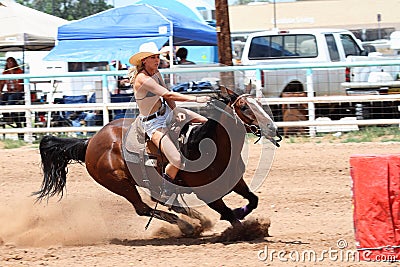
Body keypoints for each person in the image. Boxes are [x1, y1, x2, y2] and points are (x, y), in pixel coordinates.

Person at [128, 43, 210, 201]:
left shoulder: (156, 72)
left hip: (166, 113)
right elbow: (169, 94)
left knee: (204, 122)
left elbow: (167, 97)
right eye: (153, 57)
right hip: (153, 124)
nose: (157, 60)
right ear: (144, 60)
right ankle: (165, 189)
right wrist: (196, 98)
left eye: (157, 57)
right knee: (176, 159)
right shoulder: (142, 79)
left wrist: (175, 110)